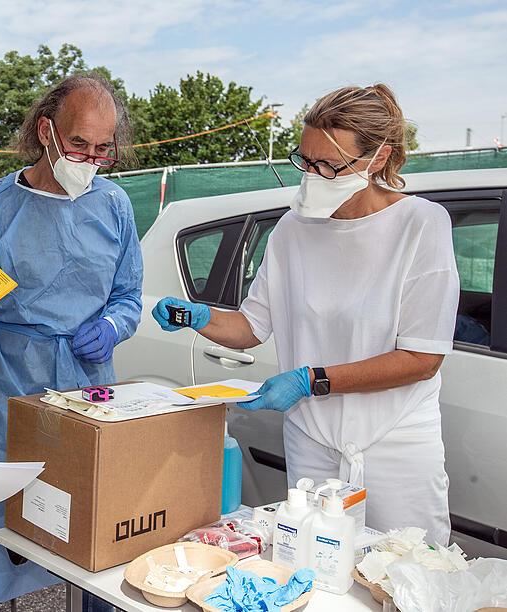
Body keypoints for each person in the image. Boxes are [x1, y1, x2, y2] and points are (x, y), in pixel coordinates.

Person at [154, 85, 458, 547]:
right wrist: (198, 317)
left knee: (408, 572)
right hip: (312, 438)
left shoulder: (421, 224)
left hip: (395, 443)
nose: (312, 175)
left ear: (377, 158)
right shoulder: (292, 229)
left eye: (328, 165)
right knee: (314, 568)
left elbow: (421, 359)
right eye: (305, 160)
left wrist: (310, 380)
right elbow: (251, 328)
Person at [0, 73, 143, 611]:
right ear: (46, 132)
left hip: (87, 389)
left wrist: (114, 327)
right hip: (8, 384)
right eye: (79, 144)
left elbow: (128, 299)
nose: (90, 159)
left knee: (91, 519)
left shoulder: (115, 206)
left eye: (103, 150)